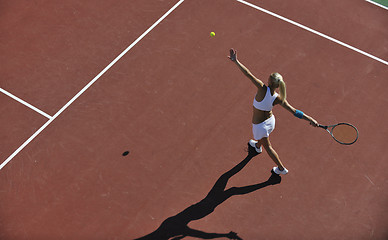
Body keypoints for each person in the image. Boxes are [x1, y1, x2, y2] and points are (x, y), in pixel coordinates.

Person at [228, 48, 319, 175]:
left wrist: (236, 61)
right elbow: (294, 111)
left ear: (269, 81)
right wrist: (311, 120)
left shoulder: (261, 88)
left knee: (269, 147)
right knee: (262, 140)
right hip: (270, 122)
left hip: (260, 126)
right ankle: (257, 146)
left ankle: (281, 168)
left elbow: (248, 74)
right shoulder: (278, 98)